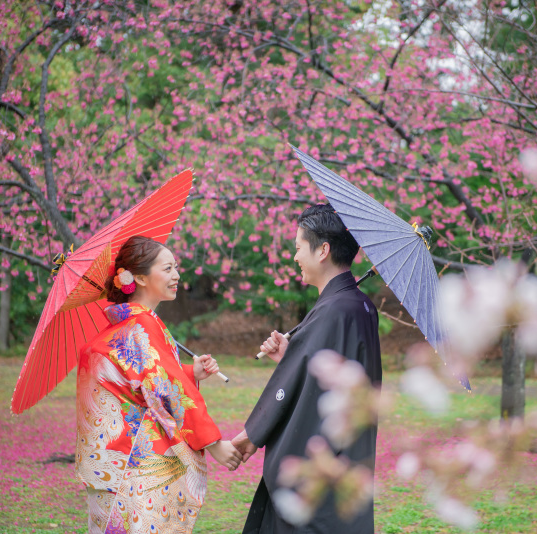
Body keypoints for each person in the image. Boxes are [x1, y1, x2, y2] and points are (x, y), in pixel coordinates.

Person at [75, 235, 241, 534]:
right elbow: (165, 389)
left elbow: (140, 382)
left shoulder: (125, 324)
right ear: (139, 277)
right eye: (167, 268)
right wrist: (214, 444)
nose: (176, 275)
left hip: (109, 463)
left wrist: (191, 373)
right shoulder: (143, 325)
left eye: (175, 267)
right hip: (132, 462)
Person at [232, 204, 382, 533]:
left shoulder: (335, 310)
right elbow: (322, 375)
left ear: (323, 250)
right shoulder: (357, 305)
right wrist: (292, 354)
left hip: (322, 460)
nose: (296, 256)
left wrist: (252, 434)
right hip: (344, 454)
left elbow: (300, 388)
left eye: (299, 247)